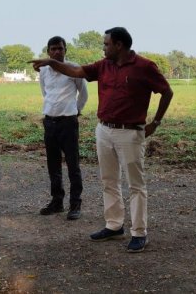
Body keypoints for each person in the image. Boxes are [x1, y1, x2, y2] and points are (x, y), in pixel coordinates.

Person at [30, 27, 174, 253]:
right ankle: (114, 225)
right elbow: (76, 71)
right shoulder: (103, 65)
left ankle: (139, 232)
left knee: (135, 185)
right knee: (109, 180)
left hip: (131, 132)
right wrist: (51, 63)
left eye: (106, 44)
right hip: (104, 130)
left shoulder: (145, 67)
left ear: (119, 45)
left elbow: (167, 92)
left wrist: (155, 123)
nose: (103, 47)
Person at [37, 36, 88, 220]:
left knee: (73, 164)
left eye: (60, 48)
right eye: (53, 49)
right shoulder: (43, 71)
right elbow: (45, 92)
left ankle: (75, 203)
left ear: (65, 50)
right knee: (53, 164)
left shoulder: (73, 68)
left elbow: (83, 93)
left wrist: (77, 110)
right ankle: (57, 201)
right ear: (48, 51)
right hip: (50, 122)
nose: (57, 52)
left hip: (68, 121)